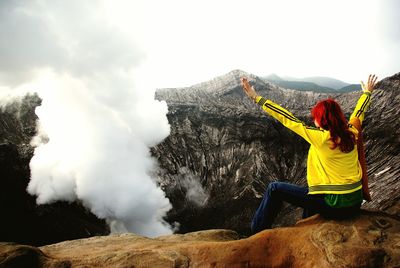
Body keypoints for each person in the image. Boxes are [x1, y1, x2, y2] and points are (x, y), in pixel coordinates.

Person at [240, 74, 378, 234]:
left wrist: (256, 97)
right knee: (311, 194)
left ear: (322, 120)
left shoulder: (321, 137)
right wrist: (367, 93)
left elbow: (287, 118)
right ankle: (306, 227)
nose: (314, 120)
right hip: (354, 203)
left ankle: (255, 234)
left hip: (336, 205)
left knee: (274, 188)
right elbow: (359, 112)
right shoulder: (352, 132)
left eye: (316, 118)